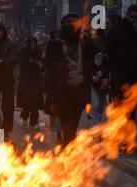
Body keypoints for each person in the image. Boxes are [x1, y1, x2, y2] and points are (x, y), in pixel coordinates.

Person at [45, 13, 95, 147]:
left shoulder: (85, 42)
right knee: (67, 120)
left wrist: (97, 73)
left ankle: (66, 147)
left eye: (74, 22)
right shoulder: (55, 42)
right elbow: (48, 63)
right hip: (63, 88)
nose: (71, 26)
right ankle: (67, 150)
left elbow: (93, 61)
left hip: (80, 87)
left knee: (74, 121)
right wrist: (65, 66)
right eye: (68, 23)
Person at [105, 4, 137, 119]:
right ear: (127, 16)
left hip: (135, 76)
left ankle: (127, 131)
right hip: (119, 76)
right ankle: (118, 130)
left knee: (132, 107)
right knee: (119, 105)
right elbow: (108, 53)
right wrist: (108, 73)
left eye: (136, 18)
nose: (134, 21)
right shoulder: (115, 31)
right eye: (132, 18)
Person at [18, 37, 44, 129]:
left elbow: (41, 62)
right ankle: (24, 116)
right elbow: (22, 63)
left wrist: (36, 63)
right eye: (31, 43)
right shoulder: (24, 51)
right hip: (26, 79)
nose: (32, 45)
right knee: (28, 100)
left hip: (36, 79)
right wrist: (32, 61)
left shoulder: (39, 51)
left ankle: (34, 122)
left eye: (34, 43)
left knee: (35, 101)